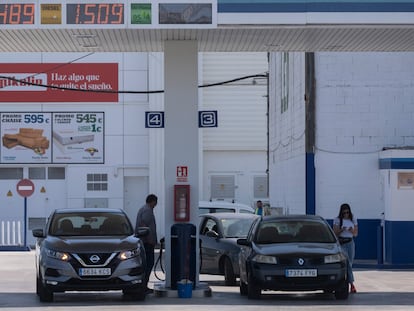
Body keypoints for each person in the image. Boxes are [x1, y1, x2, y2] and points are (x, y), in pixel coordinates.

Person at [333, 203, 358, 293]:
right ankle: (351, 284)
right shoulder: (337, 220)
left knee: (350, 264)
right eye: (344, 213)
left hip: (350, 242)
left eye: (347, 212)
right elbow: (335, 233)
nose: (346, 214)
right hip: (342, 242)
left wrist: (351, 230)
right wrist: (342, 229)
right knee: (347, 263)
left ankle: (348, 283)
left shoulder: (353, 219)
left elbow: (355, 234)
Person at [135, 194, 158, 294]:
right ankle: (143, 286)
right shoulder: (147, 210)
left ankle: (144, 285)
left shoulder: (143, 209)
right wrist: (150, 240)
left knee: (147, 264)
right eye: (155, 202)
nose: (156, 204)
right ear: (152, 201)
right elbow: (144, 225)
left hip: (145, 242)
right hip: (147, 243)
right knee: (148, 264)